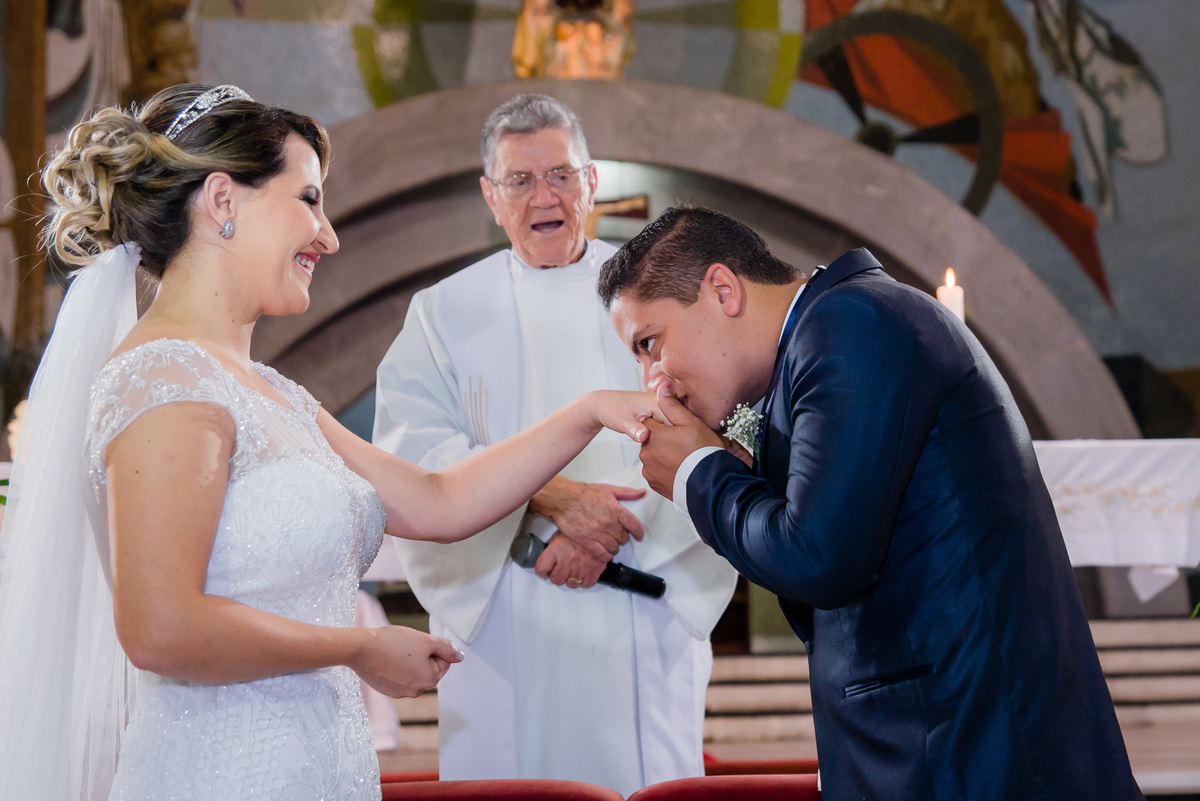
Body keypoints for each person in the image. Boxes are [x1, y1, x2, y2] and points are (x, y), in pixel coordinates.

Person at [0, 84, 664, 801]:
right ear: (222, 200)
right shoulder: (167, 379)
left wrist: (589, 411)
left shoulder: (272, 392)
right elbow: (161, 628)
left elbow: (438, 499)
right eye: (308, 199)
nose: (329, 234)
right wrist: (359, 648)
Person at [597, 205, 1144, 801]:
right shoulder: (829, 335)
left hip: (971, 751)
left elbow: (818, 557)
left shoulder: (851, 325)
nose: (654, 379)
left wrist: (699, 474)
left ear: (723, 290)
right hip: (939, 740)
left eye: (649, 344)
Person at [373, 95, 737, 795]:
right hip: (508, 604)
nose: (545, 197)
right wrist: (545, 505)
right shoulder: (445, 313)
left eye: (562, 176)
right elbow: (410, 458)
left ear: (592, 182)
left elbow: (710, 420)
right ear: (490, 194)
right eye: (521, 180)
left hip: (642, 592)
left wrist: (613, 536)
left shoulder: (657, 295)